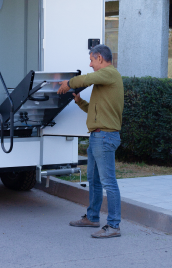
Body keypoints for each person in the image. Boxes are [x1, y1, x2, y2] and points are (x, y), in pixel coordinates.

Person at [57, 44, 124, 239]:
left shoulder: (110, 74)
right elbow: (95, 112)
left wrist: (69, 83)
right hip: (97, 136)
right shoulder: (104, 82)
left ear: (101, 59)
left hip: (105, 137)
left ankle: (113, 226)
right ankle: (93, 217)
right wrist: (79, 102)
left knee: (108, 182)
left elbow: (86, 78)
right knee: (93, 181)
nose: (90, 64)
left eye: (92, 60)